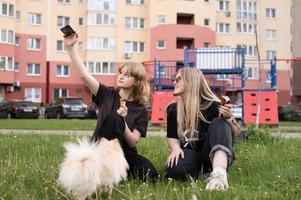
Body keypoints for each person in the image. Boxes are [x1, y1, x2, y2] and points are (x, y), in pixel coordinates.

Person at [63, 32, 158, 182]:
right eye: (121, 73)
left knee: (150, 174)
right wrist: (70, 48)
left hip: (123, 151)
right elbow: (84, 76)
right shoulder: (107, 94)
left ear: (137, 81)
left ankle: (117, 172)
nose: (121, 76)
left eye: (127, 75)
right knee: (113, 118)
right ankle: (105, 171)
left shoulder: (141, 109)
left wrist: (124, 120)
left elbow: (133, 141)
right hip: (99, 148)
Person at [165, 67, 240, 191]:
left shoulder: (213, 105)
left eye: (178, 79)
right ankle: (204, 176)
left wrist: (228, 118)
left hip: (212, 155)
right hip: (189, 154)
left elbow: (236, 132)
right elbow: (172, 137)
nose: (174, 82)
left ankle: (219, 174)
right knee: (174, 171)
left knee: (219, 122)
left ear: (191, 81)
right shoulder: (173, 109)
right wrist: (175, 148)